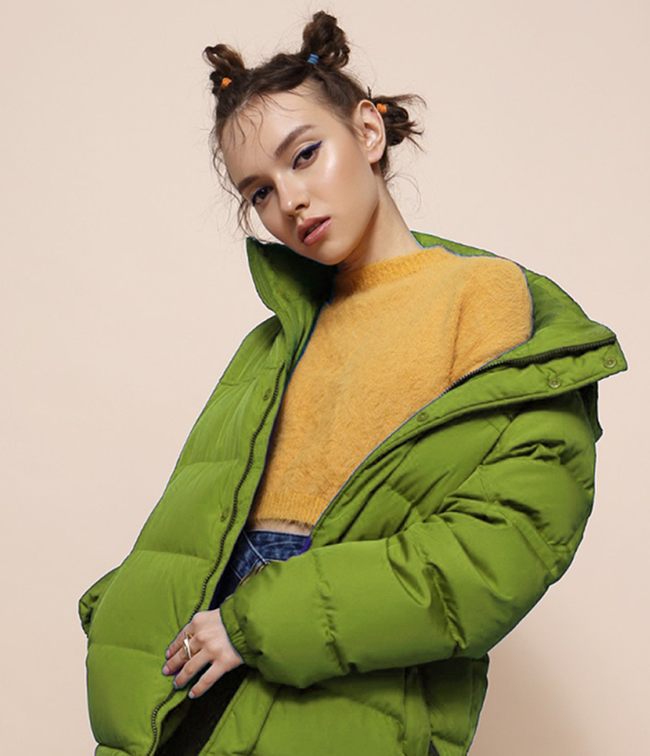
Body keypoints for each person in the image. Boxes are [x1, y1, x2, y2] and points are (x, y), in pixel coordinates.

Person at [79, 11, 626, 756]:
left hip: (334, 648)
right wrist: (123, 611)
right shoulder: (275, 340)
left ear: (368, 132)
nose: (290, 200)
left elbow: (499, 543)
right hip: (205, 652)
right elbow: (201, 518)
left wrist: (260, 618)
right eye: (259, 192)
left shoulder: (481, 294)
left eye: (305, 155)